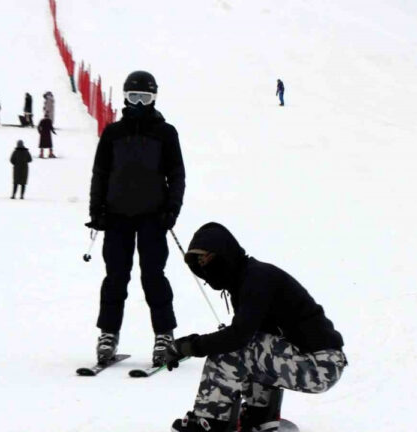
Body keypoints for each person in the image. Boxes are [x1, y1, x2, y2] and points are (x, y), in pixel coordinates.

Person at [166, 223, 347, 432]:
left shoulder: (257, 278)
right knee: (249, 345)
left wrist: (188, 347)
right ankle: (260, 414)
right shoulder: (245, 281)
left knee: (232, 348)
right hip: (316, 363)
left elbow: (239, 338)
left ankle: (212, 421)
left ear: (225, 253)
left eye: (207, 258)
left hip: (320, 366)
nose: (204, 265)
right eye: (199, 261)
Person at [86, 71, 186, 367]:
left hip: (153, 217)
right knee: (116, 277)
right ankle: (108, 333)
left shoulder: (165, 133)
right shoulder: (113, 133)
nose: (139, 104)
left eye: (145, 98)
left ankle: (164, 335)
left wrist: (172, 209)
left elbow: (177, 175)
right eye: (133, 98)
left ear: (154, 98)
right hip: (117, 216)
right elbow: (100, 174)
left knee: (153, 276)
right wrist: (96, 210)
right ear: (125, 98)